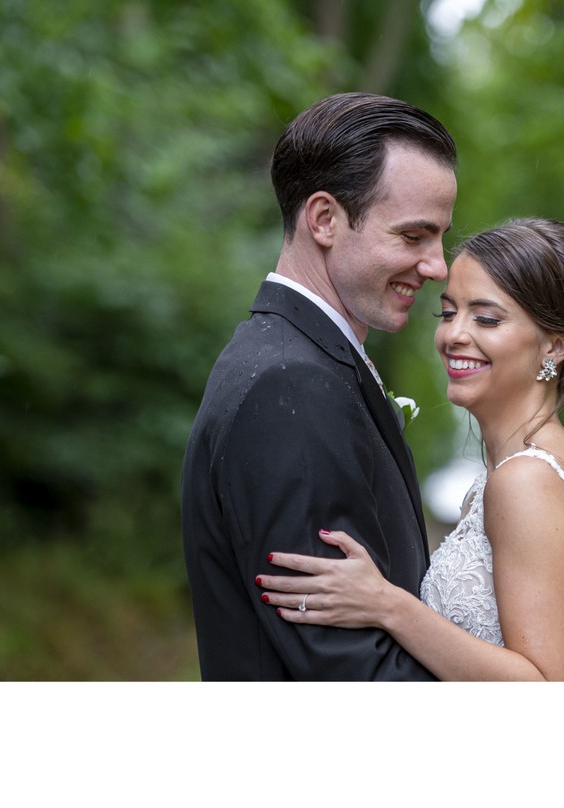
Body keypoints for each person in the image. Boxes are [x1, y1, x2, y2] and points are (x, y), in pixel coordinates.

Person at [254, 218, 564, 680]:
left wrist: (388, 605)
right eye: (448, 313)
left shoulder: (525, 479)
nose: (453, 336)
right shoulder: (523, 467)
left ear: (556, 345)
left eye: (486, 318)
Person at [180, 92, 457, 680]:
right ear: (325, 218)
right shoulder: (290, 386)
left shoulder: (298, 360)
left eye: (439, 238)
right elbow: (349, 673)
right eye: (413, 237)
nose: (438, 266)